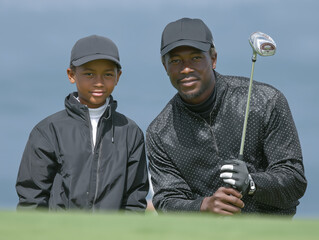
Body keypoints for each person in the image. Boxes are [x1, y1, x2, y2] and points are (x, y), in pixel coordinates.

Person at [146, 18, 307, 216]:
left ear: (213, 58)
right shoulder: (159, 132)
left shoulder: (265, 101)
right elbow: (167, 201)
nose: (186, 69)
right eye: (176, 61)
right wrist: (204, 206)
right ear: (165, 67)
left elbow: (295, 180)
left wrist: (252, 183)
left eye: (196, 58)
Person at [16, 35, 149, 211]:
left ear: (118, 76)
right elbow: (32, 199)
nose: (99, 82)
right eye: (89, 74)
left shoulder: (130, 132)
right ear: (71, 75)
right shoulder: (48, 131)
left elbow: (134, 200)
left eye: (108, 74)